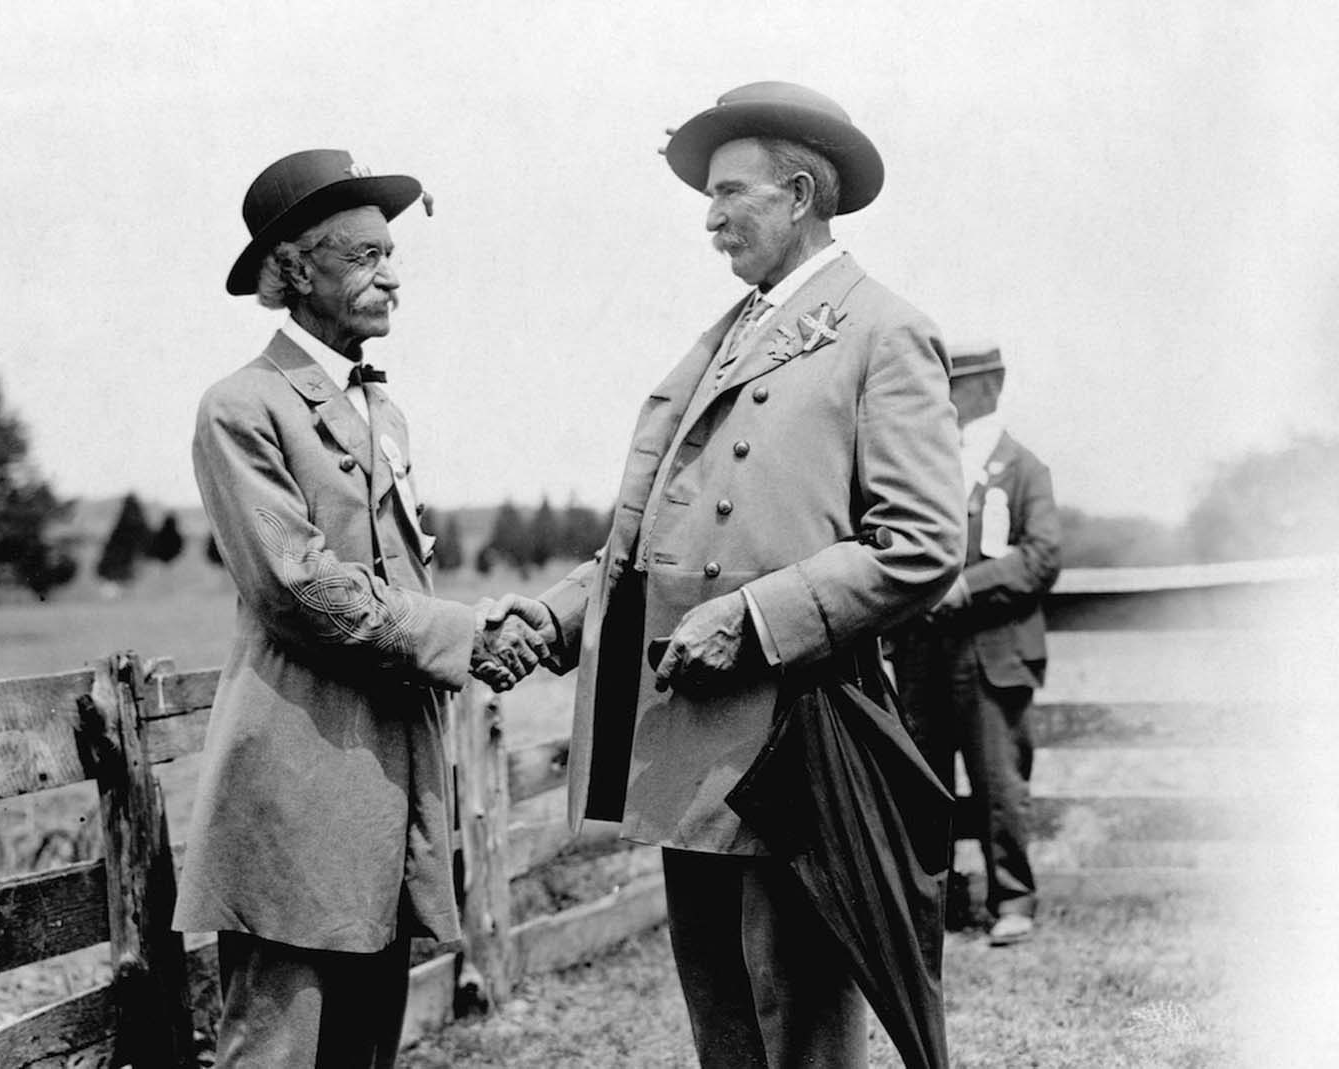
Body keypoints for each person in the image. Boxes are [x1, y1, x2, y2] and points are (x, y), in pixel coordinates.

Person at [491, 82, 964, 1067]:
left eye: (729, 193)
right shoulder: (731, 335)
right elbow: (656, 542)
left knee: (797, 1020)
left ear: (797, 194)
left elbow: (920, 540)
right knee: (723, 1017)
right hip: (685, 739)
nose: (708, 219)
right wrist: (558, 614)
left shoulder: (882, 331)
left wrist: (751, 619)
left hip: (790, 740)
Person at [173, 148, 547, 1068]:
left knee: (367, 1046)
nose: (392, 276)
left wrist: (478, 629)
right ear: (297, 270)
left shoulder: (383, 410)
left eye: (394, 255)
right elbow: (298, 587)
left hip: (391, 776)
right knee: (278, 1048)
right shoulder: (242, 406)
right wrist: (469, 636)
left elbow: (397, 586)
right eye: (366, 257)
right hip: (297, 781)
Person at [886, 345, 1062, 946]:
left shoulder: (1023, 468)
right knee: (921, 782)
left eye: (956, 384)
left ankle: (1013, 901)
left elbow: (1041, 557)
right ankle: (935, 902)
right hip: (920, 652)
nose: (945, 397)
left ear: (991, 386)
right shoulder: (923, 465)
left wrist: (967, 587)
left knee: (998, 786)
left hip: (993, 654)